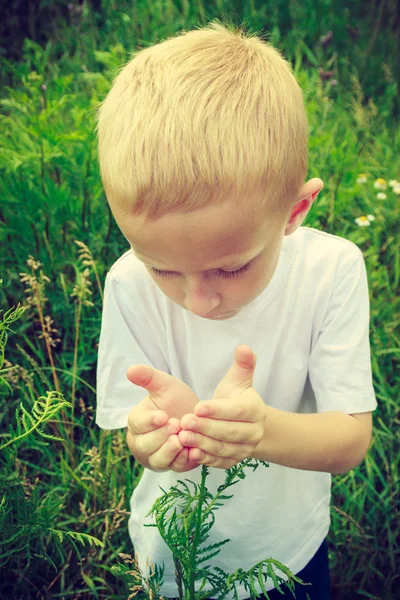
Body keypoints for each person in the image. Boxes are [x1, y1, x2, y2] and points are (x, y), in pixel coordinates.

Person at [95, 19, 377, 600]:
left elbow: (349, 440)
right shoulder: (126, 282)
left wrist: (261, 431)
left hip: (287, 557)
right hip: (171, 555)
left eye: (230, 267)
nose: (198, 299)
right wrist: (151, 439)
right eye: (164, 268)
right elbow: (133, 430)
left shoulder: (332, 271)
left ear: (295, 211)